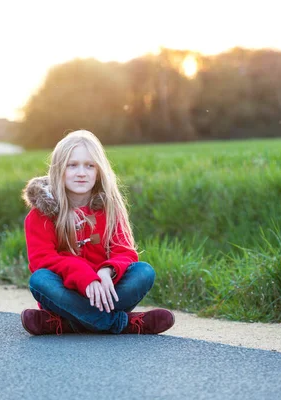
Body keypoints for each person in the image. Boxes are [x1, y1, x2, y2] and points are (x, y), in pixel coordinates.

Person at [20, 130, 175, 335]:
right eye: (72, 165)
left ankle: (67, 323)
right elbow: (42, 260)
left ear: (98, 171)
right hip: (65, 294)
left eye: (89, 165)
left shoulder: (109, 209)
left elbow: (125, 253)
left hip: (106, 291)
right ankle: (124, 323)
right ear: (59, 170)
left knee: (144, 272)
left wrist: (106, 271)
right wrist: (84, 276)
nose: (81, 172)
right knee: (39, 280)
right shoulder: (41, 215)